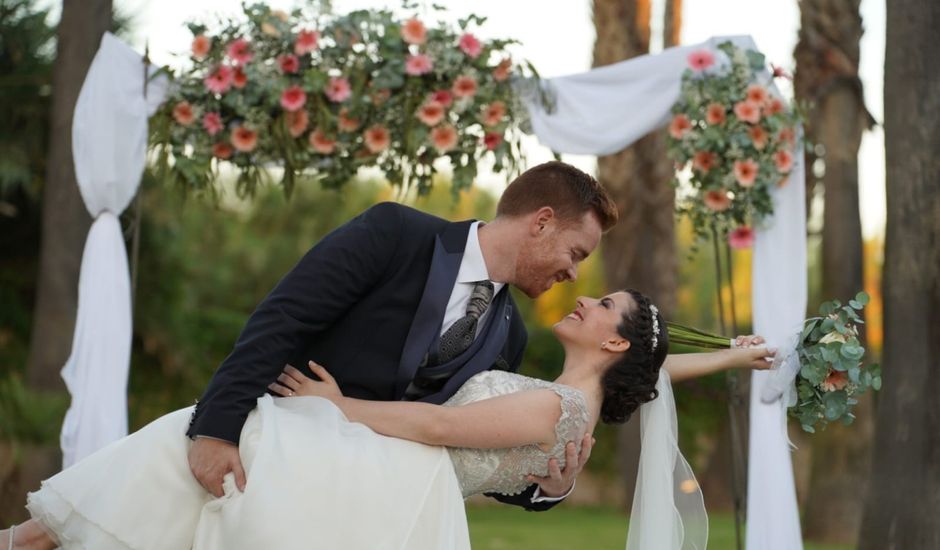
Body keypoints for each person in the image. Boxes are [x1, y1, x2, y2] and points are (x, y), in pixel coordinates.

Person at [1, 289, 773, 549]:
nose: (589, 297)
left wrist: (337, 407)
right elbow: (653, 365)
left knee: (245, 436)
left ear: (611, 340)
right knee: (213, 451)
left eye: (606, 305)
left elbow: (435, 429)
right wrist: (731, 357)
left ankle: (43, 534)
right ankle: (47, 534)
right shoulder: (578, 400)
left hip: (398, 483)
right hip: (400, 486)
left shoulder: (554, 404)